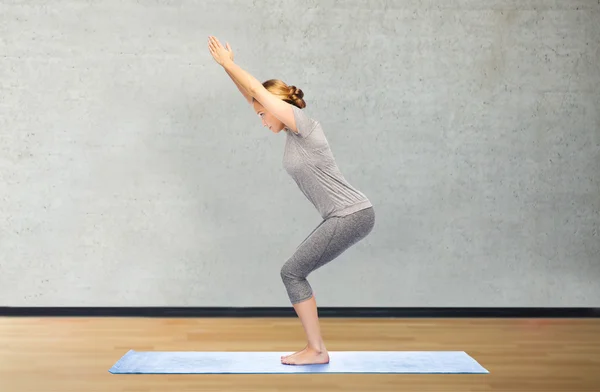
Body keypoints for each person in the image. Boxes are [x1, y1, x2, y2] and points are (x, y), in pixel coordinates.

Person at [208, 36, 375, 365]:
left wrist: (229, 63)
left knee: (292, 272)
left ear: (274, 106)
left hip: (351, 214)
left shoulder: (305, 128)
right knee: (293, 272)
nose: (261, 120)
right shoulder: (289, 134)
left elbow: (257, 92)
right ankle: (315, 348)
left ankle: (317, 350)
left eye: (262, 114)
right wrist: (226, 69)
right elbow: (252, 95)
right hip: (341, 216)